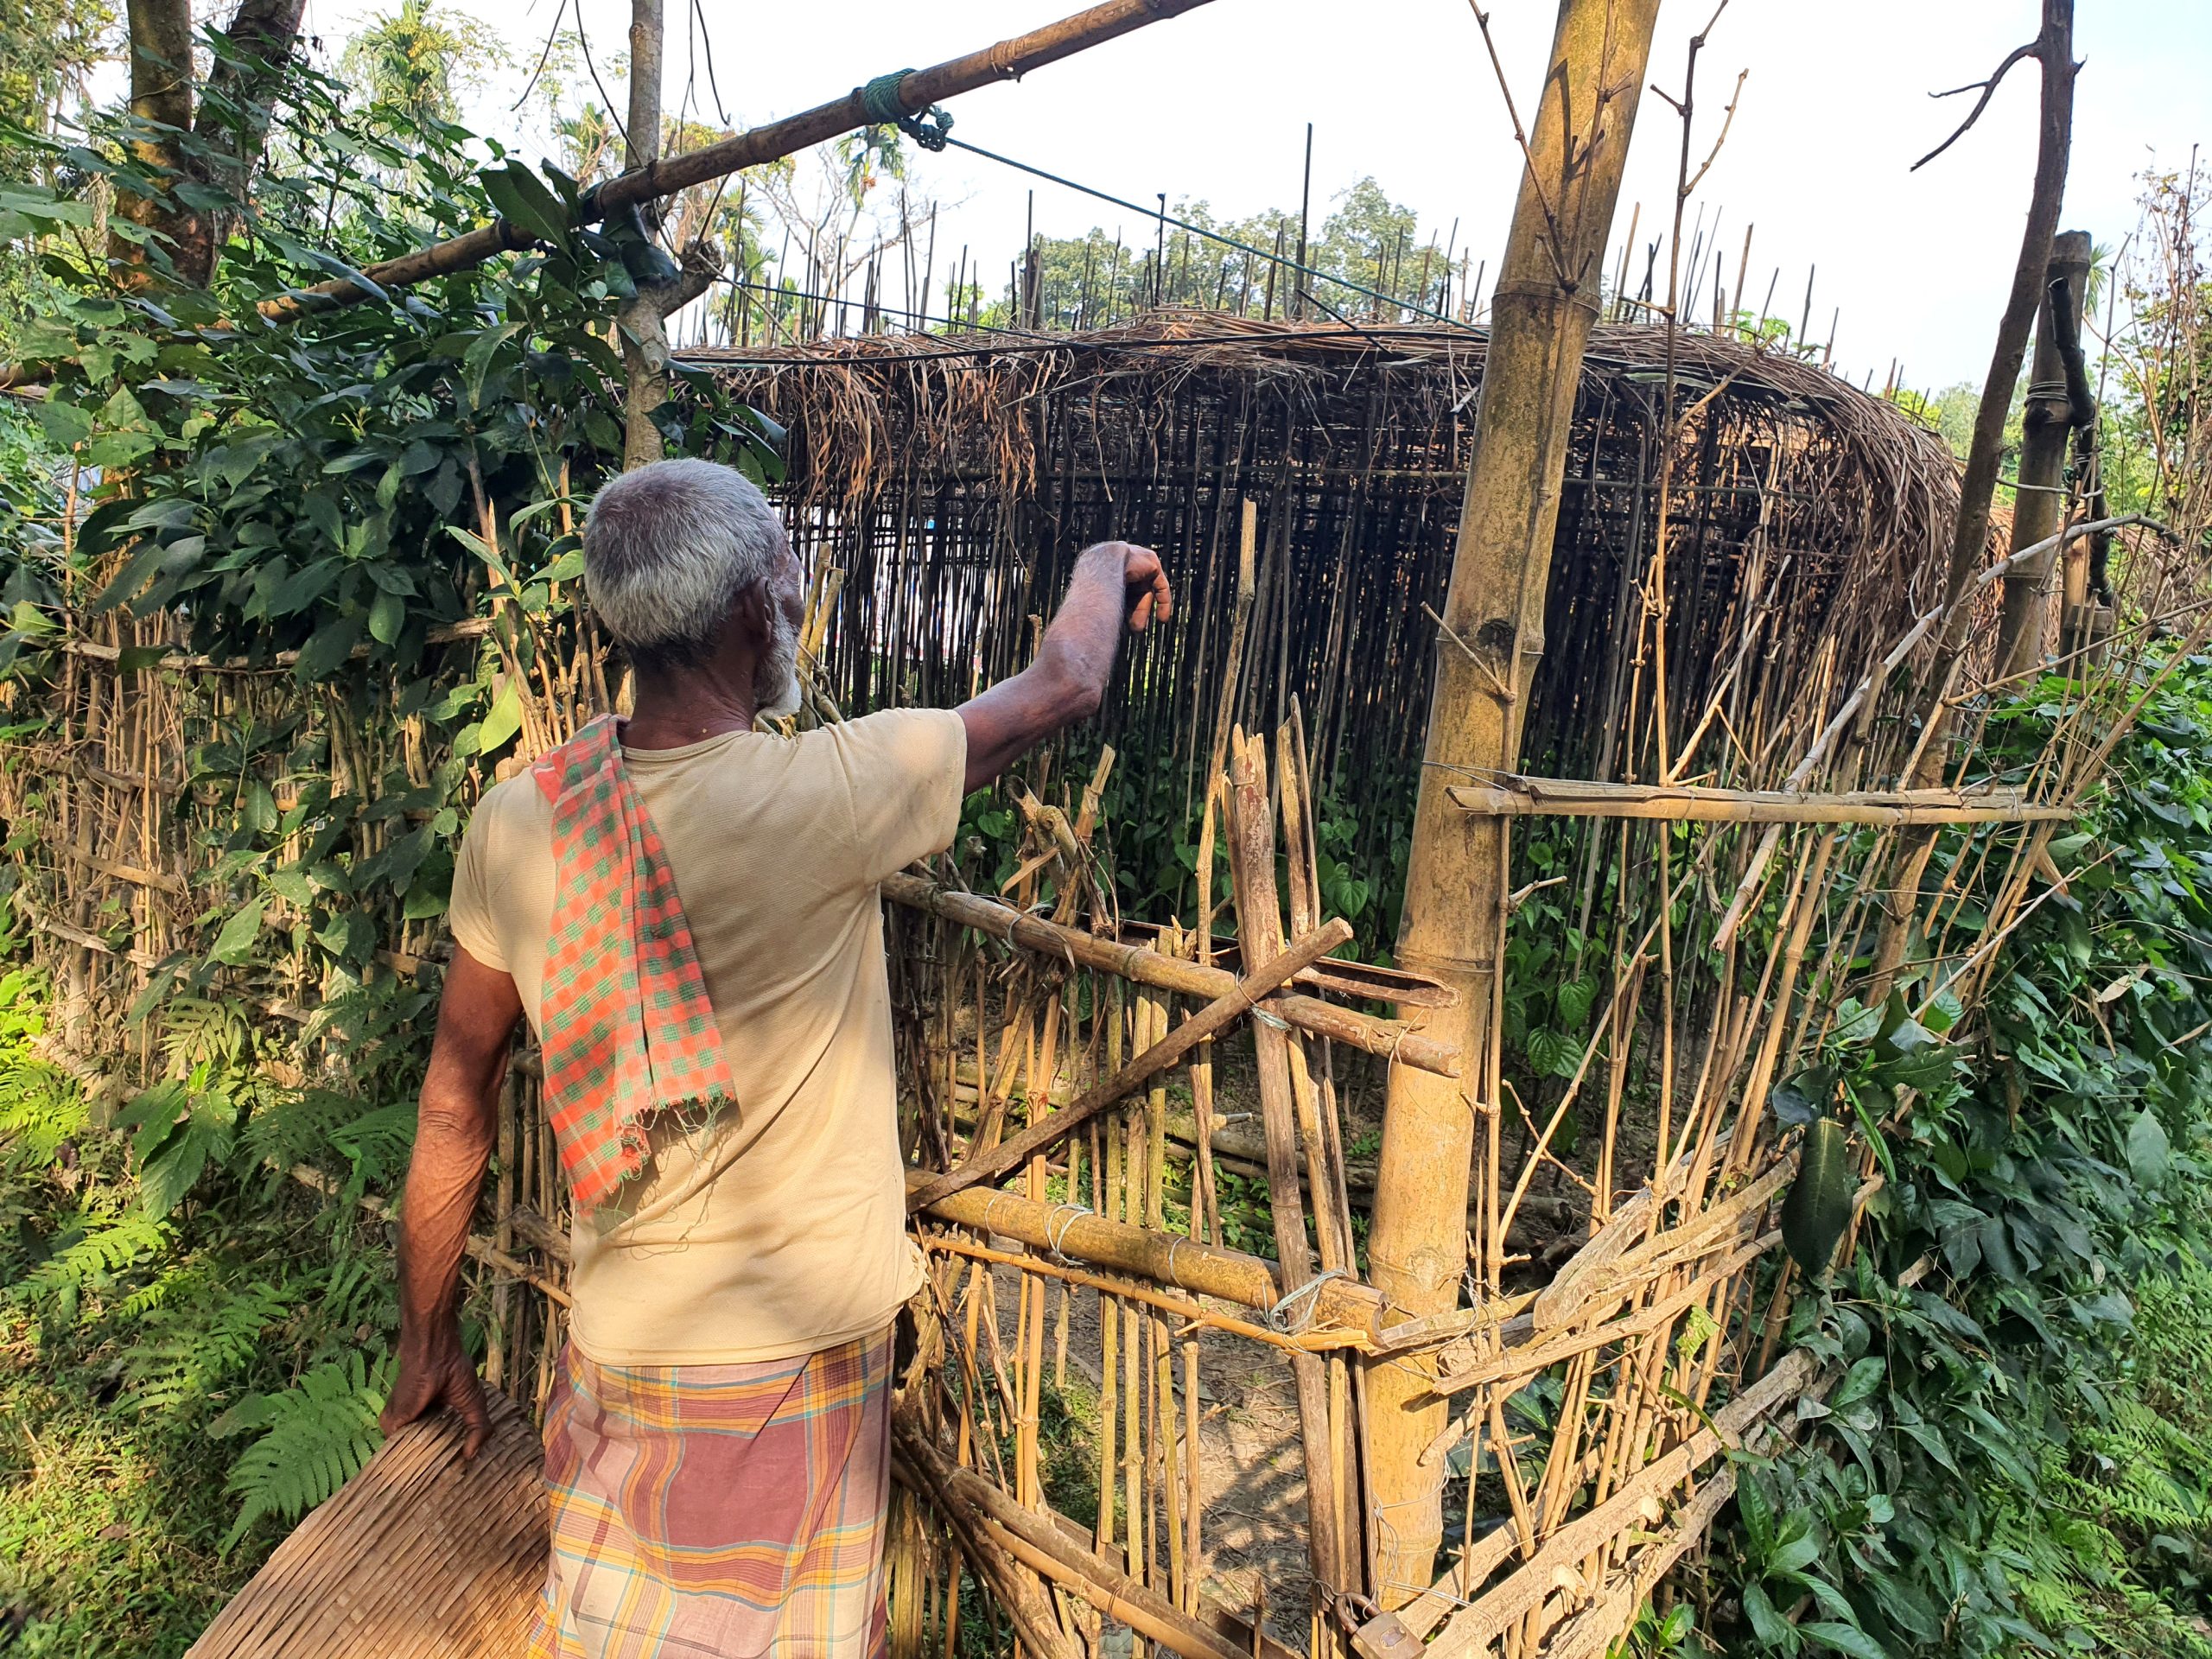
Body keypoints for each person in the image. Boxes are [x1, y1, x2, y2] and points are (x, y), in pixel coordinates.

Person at [379, 456, 1171, 1659]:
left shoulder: (522, 820)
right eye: (790, 576)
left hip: (619, 1358)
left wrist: (427, 1336)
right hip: (789, 1369)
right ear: (756, 609)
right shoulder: (832, 795)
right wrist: (1102, 565)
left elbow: (454, 1101)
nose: (800, 597)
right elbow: (1065, 681)